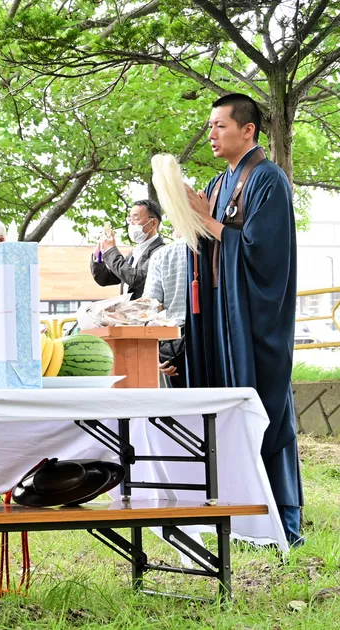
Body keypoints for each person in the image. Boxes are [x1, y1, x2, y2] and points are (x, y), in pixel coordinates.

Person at [183, 93, 302, 545]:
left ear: (247, 129)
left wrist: (208, 222)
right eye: (210, 126)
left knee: (265, 409)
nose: (211, 134)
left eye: (219, 125)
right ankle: (235, 515)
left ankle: (282, 520)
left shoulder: (269, 179)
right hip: (219, 315)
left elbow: (261, 253)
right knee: (225, 410)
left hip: (253, 319)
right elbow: (206, 244)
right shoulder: (217, 184)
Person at [91, 200, 166, 299]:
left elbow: (136, 279)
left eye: (136, 218)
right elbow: (105, 279)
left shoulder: (160, 252)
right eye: (130, 219)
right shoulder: (134, 253)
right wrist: (98, 255)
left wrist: (110, 250)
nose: (131, 224)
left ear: (153, 223)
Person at [142, 230, 189, 388]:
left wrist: (154, 354)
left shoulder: (162, 255)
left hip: (175, 342)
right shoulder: (220, 250)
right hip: (216, 337)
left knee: (181, 397)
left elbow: (152, 306)